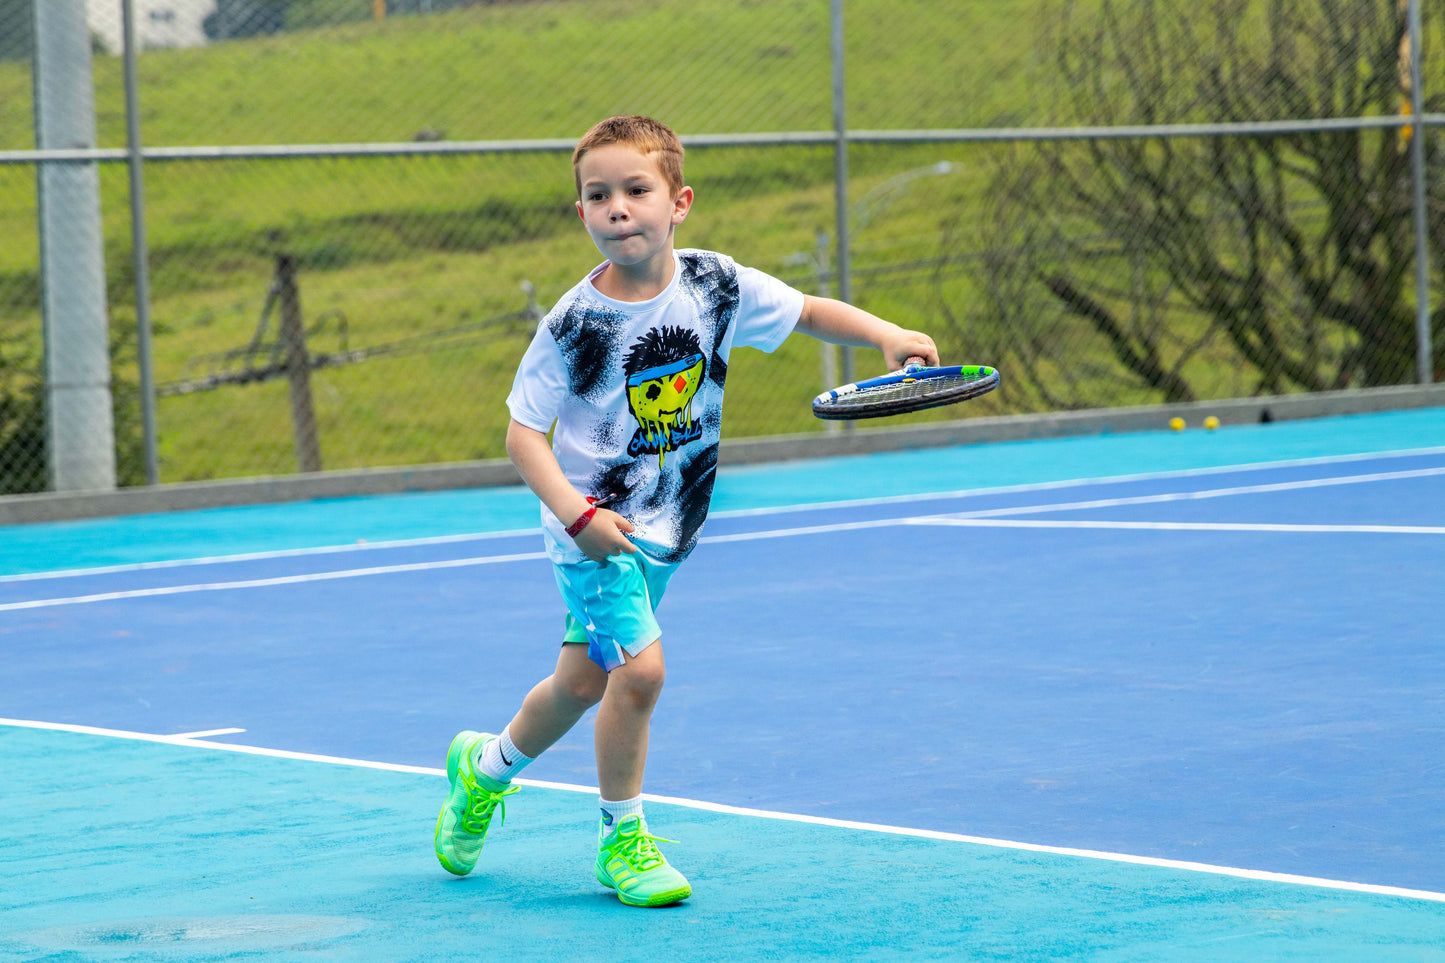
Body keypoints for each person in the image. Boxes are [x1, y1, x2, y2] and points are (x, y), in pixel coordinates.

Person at [433, 115, 938, 907]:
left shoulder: (715, 286)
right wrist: (576, 517)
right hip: (594, 535)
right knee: (641, 673)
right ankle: (621, 839)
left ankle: (483, 768)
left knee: (579, 684)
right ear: (581, 215)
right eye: (598, 195)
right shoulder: (572, 326)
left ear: (679, 202)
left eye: (636, 190)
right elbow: (522, 436)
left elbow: (805, 310)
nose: (618, 207)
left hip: (667, 528)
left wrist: (884, 334)